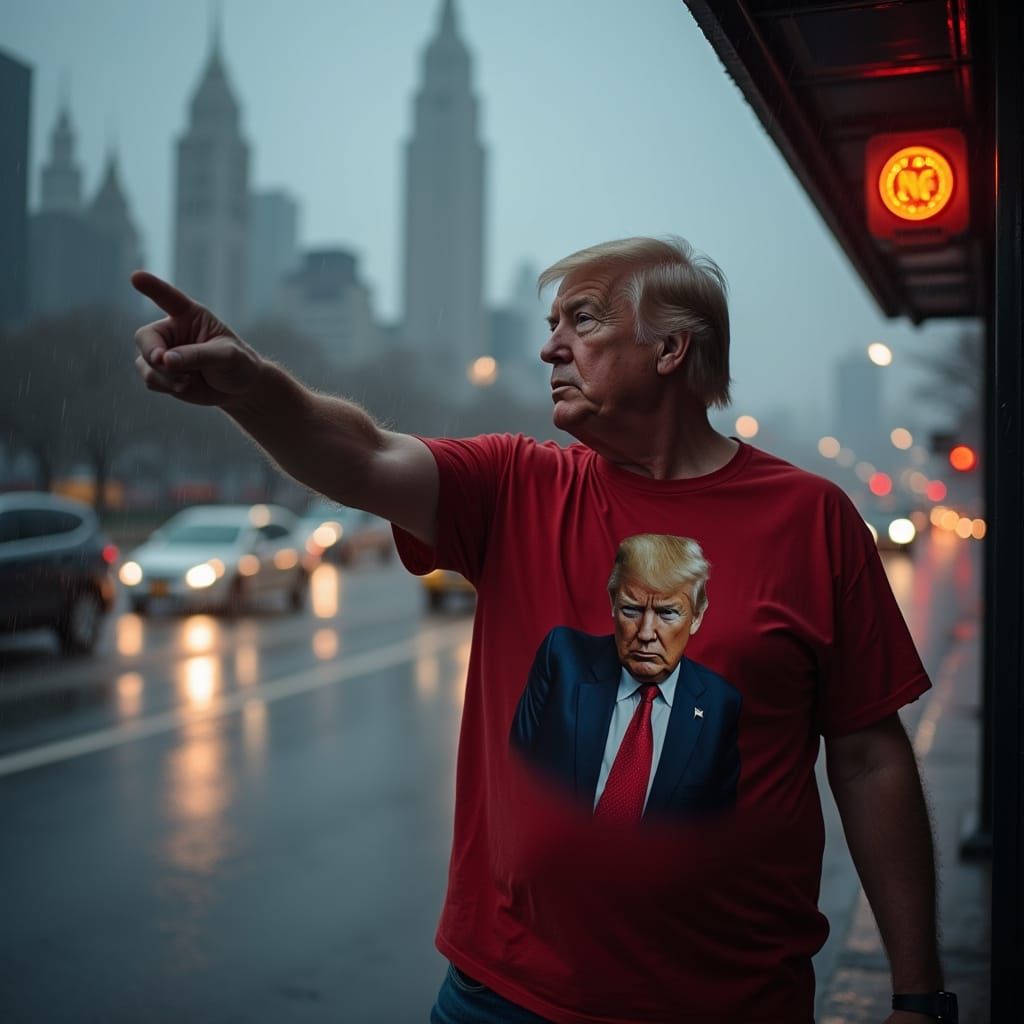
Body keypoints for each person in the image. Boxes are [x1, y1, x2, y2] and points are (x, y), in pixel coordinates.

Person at [131, 235, 951, 1024]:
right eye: (549, 325)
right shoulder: (517, 485)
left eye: (582, 321)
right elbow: (361, 453)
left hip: (736, 1002)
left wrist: (917, 994)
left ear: (670, 350)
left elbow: (871, 759)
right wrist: (251, 387)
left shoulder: (813, 520)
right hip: (504, 998)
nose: (550, 349)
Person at [511, 533, 742, 822]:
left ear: (696, 616)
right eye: (631, 609)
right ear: (612, 602)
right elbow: (513, 784)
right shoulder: (561, 661)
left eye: (667, 613)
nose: (645, 633)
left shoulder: (721, 705)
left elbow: (715, 834)